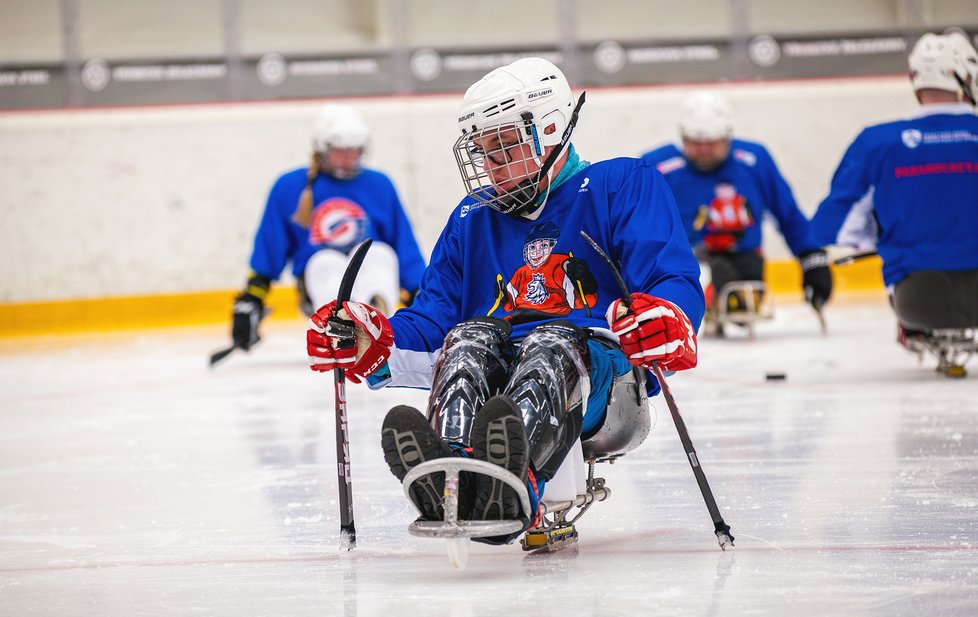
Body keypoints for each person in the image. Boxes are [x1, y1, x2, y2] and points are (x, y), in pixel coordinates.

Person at [306, 57, 705, 545]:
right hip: (505, 380)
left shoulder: (620, 184)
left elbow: (670, 276)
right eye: (483, 149)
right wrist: (375, 341)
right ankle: (454, 476)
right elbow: (433, 323)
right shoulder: (471, 218)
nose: (490, 165)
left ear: (552, 128)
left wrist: (669, 317)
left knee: (553, 341)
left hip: (605, 383)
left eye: (505, 146)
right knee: (468, 338)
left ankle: (515, 484)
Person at [809, 31, 978, 362]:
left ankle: (911, 330)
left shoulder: (877, 142)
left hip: (919, 301)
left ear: (914, 80)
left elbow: (832, 225)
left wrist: (881, 235)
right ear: (965, 76)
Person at [231, 103, 427, 353]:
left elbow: (404, 246)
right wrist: (252, 298)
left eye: (355, 150)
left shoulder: (380, 184)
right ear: (322, 149)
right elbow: (270, 247)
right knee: (324, 261)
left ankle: (375, 325)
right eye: (341, 151)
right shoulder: (290, 187)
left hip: (369, 273)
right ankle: (341, 328)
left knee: (380, 253)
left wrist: (420, 296)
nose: (350, 157)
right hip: (318, 281)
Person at [641, 91, 832, 324]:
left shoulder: (754, 160)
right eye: (695, 143)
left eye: (712, 143)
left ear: (727, 135)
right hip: (682, 259)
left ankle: (714, 297)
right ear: (682, 136)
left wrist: (811, 256)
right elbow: (636, 226)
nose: (703, 150)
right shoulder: (657, 166)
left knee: (744, 306)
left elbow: (787, 214)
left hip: (744, 259)